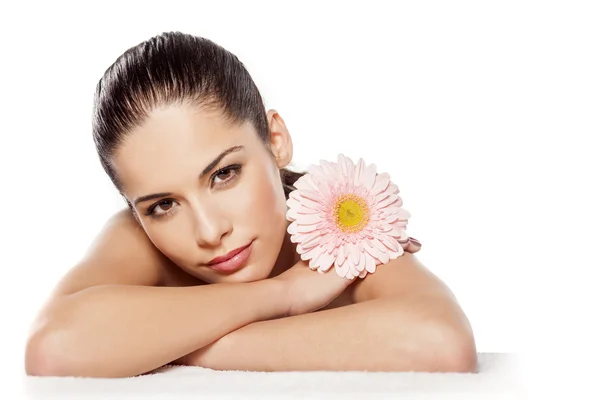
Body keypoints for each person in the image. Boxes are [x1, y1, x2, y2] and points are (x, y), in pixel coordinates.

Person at [24, 32, 476, 378]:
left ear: (275, 140)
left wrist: (175, 345)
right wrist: (286, 294)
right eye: (163, 205)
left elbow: (440, 342)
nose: (207, 231)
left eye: (224, 174)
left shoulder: (340, 222)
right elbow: (53, 347)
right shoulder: (135, 238)